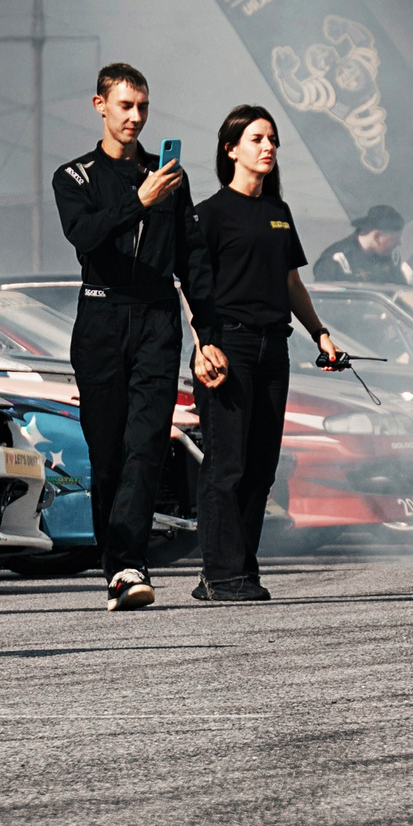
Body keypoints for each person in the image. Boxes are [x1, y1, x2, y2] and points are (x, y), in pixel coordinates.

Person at [183, 105, 344, 601]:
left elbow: (291, 282)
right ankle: (219, 575)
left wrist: (320, 333)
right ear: (231, 149)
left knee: (261, 468)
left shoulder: (279, 212)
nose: (268, 147)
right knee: (226, 465)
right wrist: (203, 345)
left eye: (272, 139)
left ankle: (242, 570)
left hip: (274, 347)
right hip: (227, 347)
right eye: (256, 139)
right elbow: (189, 285)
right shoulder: (209, 213)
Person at [51, 63, 195, 612]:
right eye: (126, 105)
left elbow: (192, 261)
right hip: (101, 318)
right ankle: (115, 564)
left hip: (157, 317)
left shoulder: (169, 175)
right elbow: (84, 235)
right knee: (108, 451)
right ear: (100, 105)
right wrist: (140, 201)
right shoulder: (74, 176)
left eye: (143, 107)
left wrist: (207, 335)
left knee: (146, 443)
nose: (135, 116)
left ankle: (128, 567)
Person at [313, 204, 411, 284]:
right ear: (376, 236)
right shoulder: (337, 259)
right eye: (394, 239)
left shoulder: (392, 257)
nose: (399, 243)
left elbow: (401, 290)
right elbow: (323, 298)